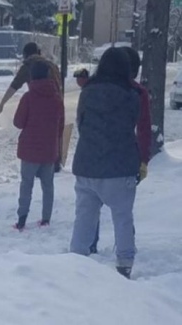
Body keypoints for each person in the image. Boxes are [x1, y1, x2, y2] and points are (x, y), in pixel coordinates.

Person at [69, 47, 143, 279]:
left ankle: (74, 264)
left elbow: (81, 122)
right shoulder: (132, 96)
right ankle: (124, 265)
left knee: (83, 218)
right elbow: (134, 125)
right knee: (122, 218)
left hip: (87, 164)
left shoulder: (87, 91)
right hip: (120, 167)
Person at [87, 46, 152, 254]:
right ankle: (125, 251)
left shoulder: (95, 87)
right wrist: (143, 159)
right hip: (124, 158)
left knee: (91, 205)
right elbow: (143, 128)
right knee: (123, 211)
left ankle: (91, 242)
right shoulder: (137, 92)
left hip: (93, 154)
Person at [12, 61, 65, 231]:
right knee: (48, 186)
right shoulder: (57, 98)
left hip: (29, 150)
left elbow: (18, 122)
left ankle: (22, 219)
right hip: (49, 150)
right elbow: (61, 125)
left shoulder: (28, 97)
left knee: (26, 185)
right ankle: (46, 219)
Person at [0, 42, 62, 116]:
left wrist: (2, 103)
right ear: (39, 52)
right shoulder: (52, 66)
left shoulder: (27, 67)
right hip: (54, 106)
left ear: (25, 55)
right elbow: (59, 86)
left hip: (37, 106)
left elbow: (14, 86)